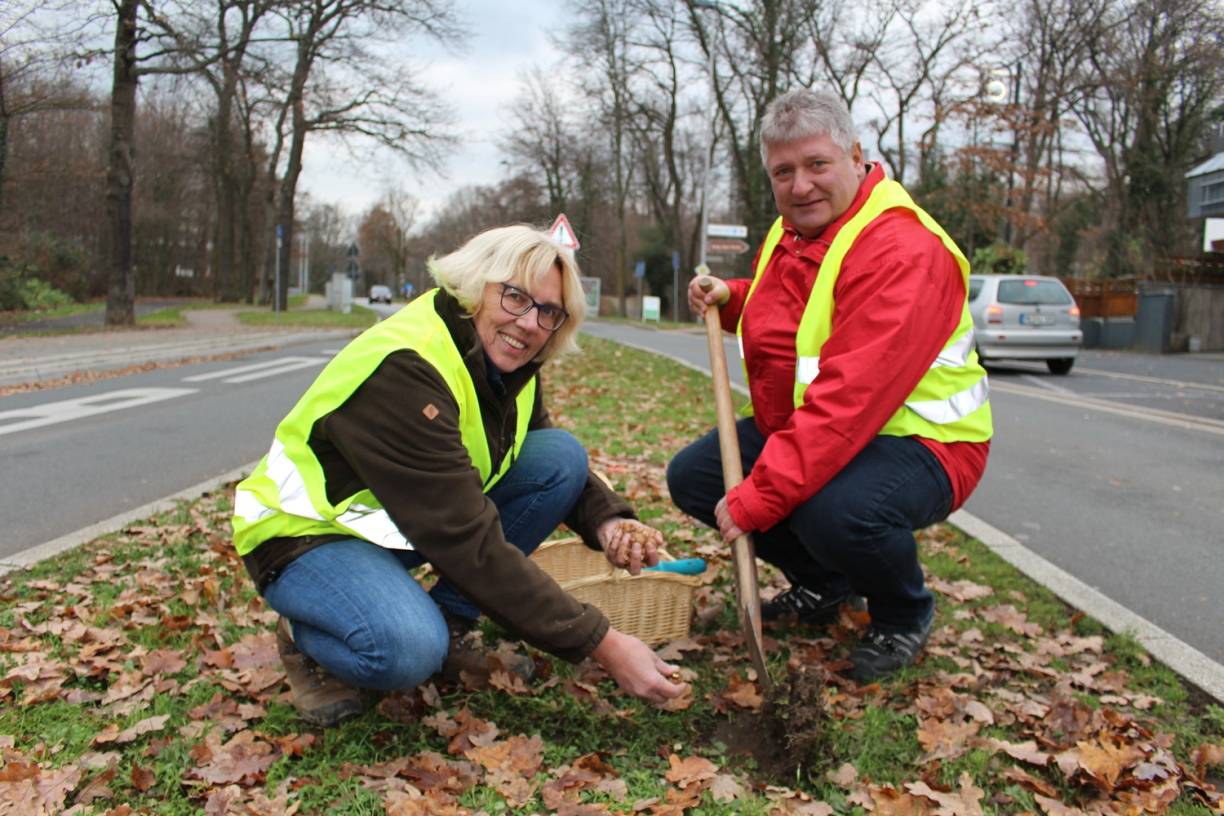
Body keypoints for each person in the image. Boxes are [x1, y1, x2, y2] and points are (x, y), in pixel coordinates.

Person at [232, 224, 686, 726]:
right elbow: (471, 544)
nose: (530, 322)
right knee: (405, 650)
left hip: (399, 524)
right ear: (474, 286)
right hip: (305, 539)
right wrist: (603, 643)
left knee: (558, 457)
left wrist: (607, 521)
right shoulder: (409, 368)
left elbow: (547, 458)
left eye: (548, 311)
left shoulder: (503, 363)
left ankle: (449, 622)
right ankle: (304, 637)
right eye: (514, 296)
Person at [669, 89, 992, 684]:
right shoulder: (797, 230)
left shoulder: (902, 250)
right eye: (783, 172)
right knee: (696, 476)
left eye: (817, 165)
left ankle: (903, 612)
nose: (800, 186)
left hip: (926, 443)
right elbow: (795, 311)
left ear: (855, 155)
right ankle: (826, 584)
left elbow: (847, 400)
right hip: (826, 429)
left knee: (830, 510)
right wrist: (733, 298)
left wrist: (759, 498)